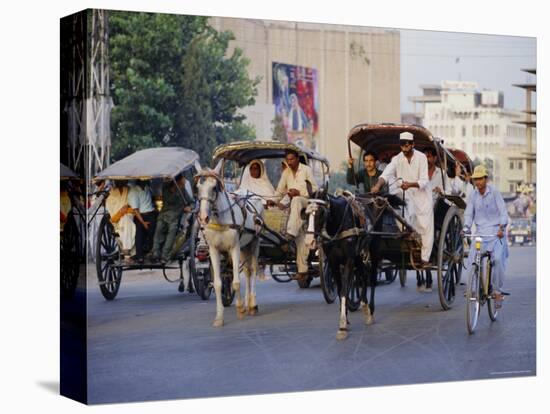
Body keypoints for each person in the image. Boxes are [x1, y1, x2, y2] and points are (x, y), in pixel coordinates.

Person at [370, 131, 434, 266]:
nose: (404, 147)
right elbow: (386, 175)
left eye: (407, 144)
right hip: (404, 194)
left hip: (421, 195)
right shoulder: (397, 159)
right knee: (401, 212)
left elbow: (424, 180)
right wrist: (377, 186)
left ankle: (425, 258)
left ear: (412, 144)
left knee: (425, 224)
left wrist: (410, 184)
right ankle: (406, 238)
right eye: (402, 145)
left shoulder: (421, 157)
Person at [267, 149, 318, 282]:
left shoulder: (306, 170)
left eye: (292, 159)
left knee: (296, 200)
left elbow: (315, 189)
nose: (289, 162)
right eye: (287, 160)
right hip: (293, 208)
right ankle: (302, 271)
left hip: (306, 202)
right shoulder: (286, 173)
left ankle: (290, 233)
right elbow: (279, 191)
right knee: (301, 239)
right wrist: (273, 200)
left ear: (297, 158)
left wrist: (299, 192)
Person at [463, 165, 509, 306]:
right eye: (476, 179)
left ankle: (497, 291)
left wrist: (502, 227)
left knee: (497, 260)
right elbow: (469, 213)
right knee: (472, 258)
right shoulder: (473, 195)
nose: (478, 182)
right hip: (481, 233)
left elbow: (503, 211)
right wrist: (466, 227)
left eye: (480, 179)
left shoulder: (494, 192)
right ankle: (473, 288)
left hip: (496, 233)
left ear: (486, 179)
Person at [151, 174, 193, 264]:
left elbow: (191, 202)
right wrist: (183, 206)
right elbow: (170, 200)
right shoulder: (166, 187)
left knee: (171, 237)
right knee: (158, 233)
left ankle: (165, 256)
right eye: (182, 179)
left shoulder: (183, 190)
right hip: (163, 215)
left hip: (174, 218)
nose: (184, 181)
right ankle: (155, 253)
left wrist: (189, 207)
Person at [106, 180, 136, 262]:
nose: (121, 183)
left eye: (122, 181)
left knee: (126, 219)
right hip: (117, 222)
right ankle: (127, 252)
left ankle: (126, 251)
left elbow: (135, 208)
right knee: (124, 220)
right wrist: (120, 212)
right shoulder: (111, 196)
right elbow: (112, 218)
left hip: (129, 218)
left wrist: (126, 210)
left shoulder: (130, 190)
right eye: (118, 181)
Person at [128, 180, 157, 264]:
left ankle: (152, 253)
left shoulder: (147, 188)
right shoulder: (134, 191)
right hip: (140, 215)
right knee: (139, 234)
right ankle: (140, 256)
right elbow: (135, 210)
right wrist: (143, 222)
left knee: (154, 234)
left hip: (151, 214)